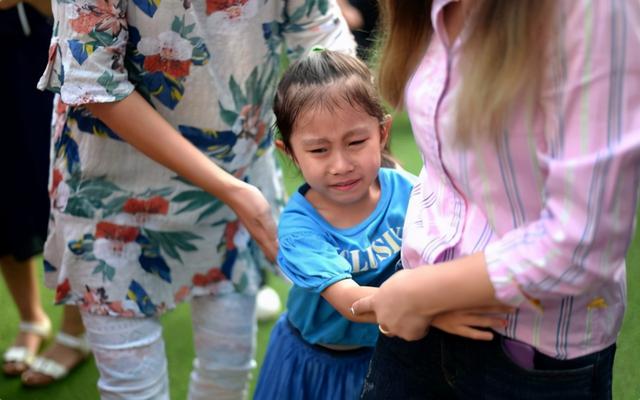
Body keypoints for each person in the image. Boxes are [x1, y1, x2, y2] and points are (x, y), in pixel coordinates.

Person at [36, 1, 355, 399]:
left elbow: (320, 32)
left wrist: (348, 136)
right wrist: (231, 189)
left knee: (228, 370)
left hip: (238, 171)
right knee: (132, 389)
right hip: (114, 187)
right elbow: (95, 84)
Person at [350, 1, 640, 399]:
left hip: (524, 351)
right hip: (418, 324)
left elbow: (586, 239)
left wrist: (419, 292)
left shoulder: (591, 11)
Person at [253, 49, 509, 400]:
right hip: (320, 364)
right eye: (319, 150)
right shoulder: (299, 228)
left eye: (356, 142)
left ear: (383, 132)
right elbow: (351, 302)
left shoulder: (409, 191)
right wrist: (434, 314)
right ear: (290, 153)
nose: (341, 164)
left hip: (389, 352)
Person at [0, 0, 89, 387]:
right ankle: (31, 317)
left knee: (62, 191)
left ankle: (76, 329)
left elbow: (80, 14)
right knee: (2, 197)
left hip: (40, 56)